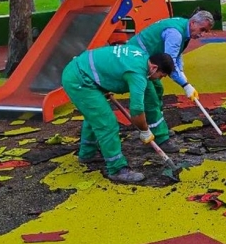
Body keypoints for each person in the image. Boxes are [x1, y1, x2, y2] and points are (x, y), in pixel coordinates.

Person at [61, 45, 175, 183]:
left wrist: (104, 83)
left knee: (95, 116)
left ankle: (87, 153)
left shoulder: (141, 56)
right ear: (154, 68)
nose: (159, 79)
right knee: (107, 123)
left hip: (83, 71)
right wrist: (144, 130)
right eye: (161, 76)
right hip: (79, 80)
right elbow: (137, 110)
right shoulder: (137, 74)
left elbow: (112, 65)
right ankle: (117, 169)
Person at [126, 11, 214, 150]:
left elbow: (177, 56)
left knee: (158, 89)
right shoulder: (175, 33)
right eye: (202, 29)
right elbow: (170, 63)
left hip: (147, 60)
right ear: (193, 23)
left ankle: (157, 127)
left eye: (206, 31)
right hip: (136, 60)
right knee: (151, 97)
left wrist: (183, 74)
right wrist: (185, 84)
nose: (202, 34)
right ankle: (160, 138)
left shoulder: (184, 29)